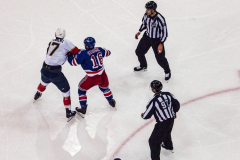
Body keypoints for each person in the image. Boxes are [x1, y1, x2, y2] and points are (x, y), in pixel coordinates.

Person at [34, 28, 80, 122]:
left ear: (55, 34)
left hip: (44, 68)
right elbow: (76, 51)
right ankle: (68, 112)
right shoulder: (66, 42)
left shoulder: (51, 41)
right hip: (55, 72)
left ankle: (38, 93)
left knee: (43, 82)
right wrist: (69, 53)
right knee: (66, 90)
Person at [67, 37, 116, 117]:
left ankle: (83, 107)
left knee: (81, 89)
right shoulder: (99, 49)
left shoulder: (83, 54)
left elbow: (73, 62)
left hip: (92, 78)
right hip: (103, 75)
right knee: (105, 88)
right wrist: (102, 49)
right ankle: (111, 100)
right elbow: (108, 52)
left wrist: (69, 56)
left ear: (86, 45)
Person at [141, 80, 180, 160]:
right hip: (171, 119)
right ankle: (168, 146)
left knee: (153, 142)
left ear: (154, 90)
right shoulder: (168, 94)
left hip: (162, 123)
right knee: (167, 132)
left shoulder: (153, 100)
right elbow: (177, 104)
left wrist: (143, 115)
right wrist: (174, 112)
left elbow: (147, 115)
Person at [134, 1, 171, 81]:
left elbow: (164, 32)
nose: (146, 11)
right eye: (146, 9)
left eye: (148, 9)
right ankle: (143, 65)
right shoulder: (146, 15)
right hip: (147, 37)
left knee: (160, 59)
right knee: (139, 52)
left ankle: (167, 71)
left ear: (153, 10)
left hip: (156, 41)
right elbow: (144, 24)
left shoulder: (160, 19)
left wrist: (161, 43)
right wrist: (139, 31)